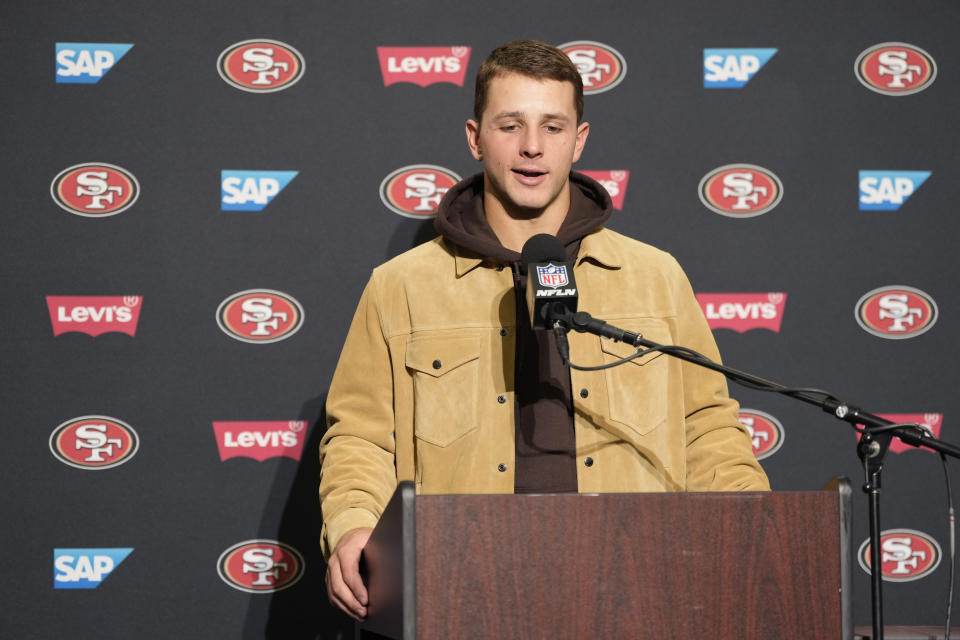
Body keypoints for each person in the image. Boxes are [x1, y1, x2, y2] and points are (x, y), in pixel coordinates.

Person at [319, 39, 769, 620]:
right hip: (461, 587)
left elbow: (706, 427)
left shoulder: (655, 278)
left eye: (553, 127)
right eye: (511, 125)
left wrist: (756, 530)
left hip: (635, 586)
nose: (532, 147)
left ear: (579, 141)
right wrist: (355, 525)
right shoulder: (399, 286)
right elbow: (361, 437)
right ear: (474, 137)